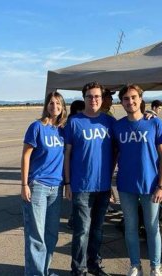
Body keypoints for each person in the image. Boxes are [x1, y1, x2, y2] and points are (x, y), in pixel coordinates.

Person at [113, 84, 162, 276]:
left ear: (140, 99)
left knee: (153, 228)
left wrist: (161, 185)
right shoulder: (117, 126)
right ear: (121, 102)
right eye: (126, 99)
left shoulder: (154, 123)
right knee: (130, 228)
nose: (130, 102)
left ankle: (155, 266)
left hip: (151, 186)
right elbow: (113, 155)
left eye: (134, 97)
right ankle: (135, 265)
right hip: (126, 185)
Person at [64, 81, 116, 276]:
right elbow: (67, 155)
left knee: (97, 230)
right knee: (82, 231)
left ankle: (94, 263)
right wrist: (67, 183)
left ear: (102, 99)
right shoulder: (74, 122)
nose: (93, 100)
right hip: (81, 186)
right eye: (89, 96)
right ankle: (78, 269)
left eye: (97, 96)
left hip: (102, 187)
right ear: (84, 98)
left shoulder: (109, 122)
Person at [21, 91, 68, 276]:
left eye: (58, 103)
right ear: (46, 106)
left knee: (51, 234)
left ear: (63, 107)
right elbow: (26, 156)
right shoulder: (36, 127)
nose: (54, 106)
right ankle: (34, 273)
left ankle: (45, 270)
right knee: (36, 235)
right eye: (51, 103)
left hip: (56, 187)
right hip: (38, 186)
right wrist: (24, 184)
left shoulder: (63, 130)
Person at [66, 100, 85, 229]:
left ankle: (74, 218)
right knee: (76, 197)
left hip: (75, 164)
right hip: (74, 164)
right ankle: (74, 219)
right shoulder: (73, 122)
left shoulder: (71, 121)